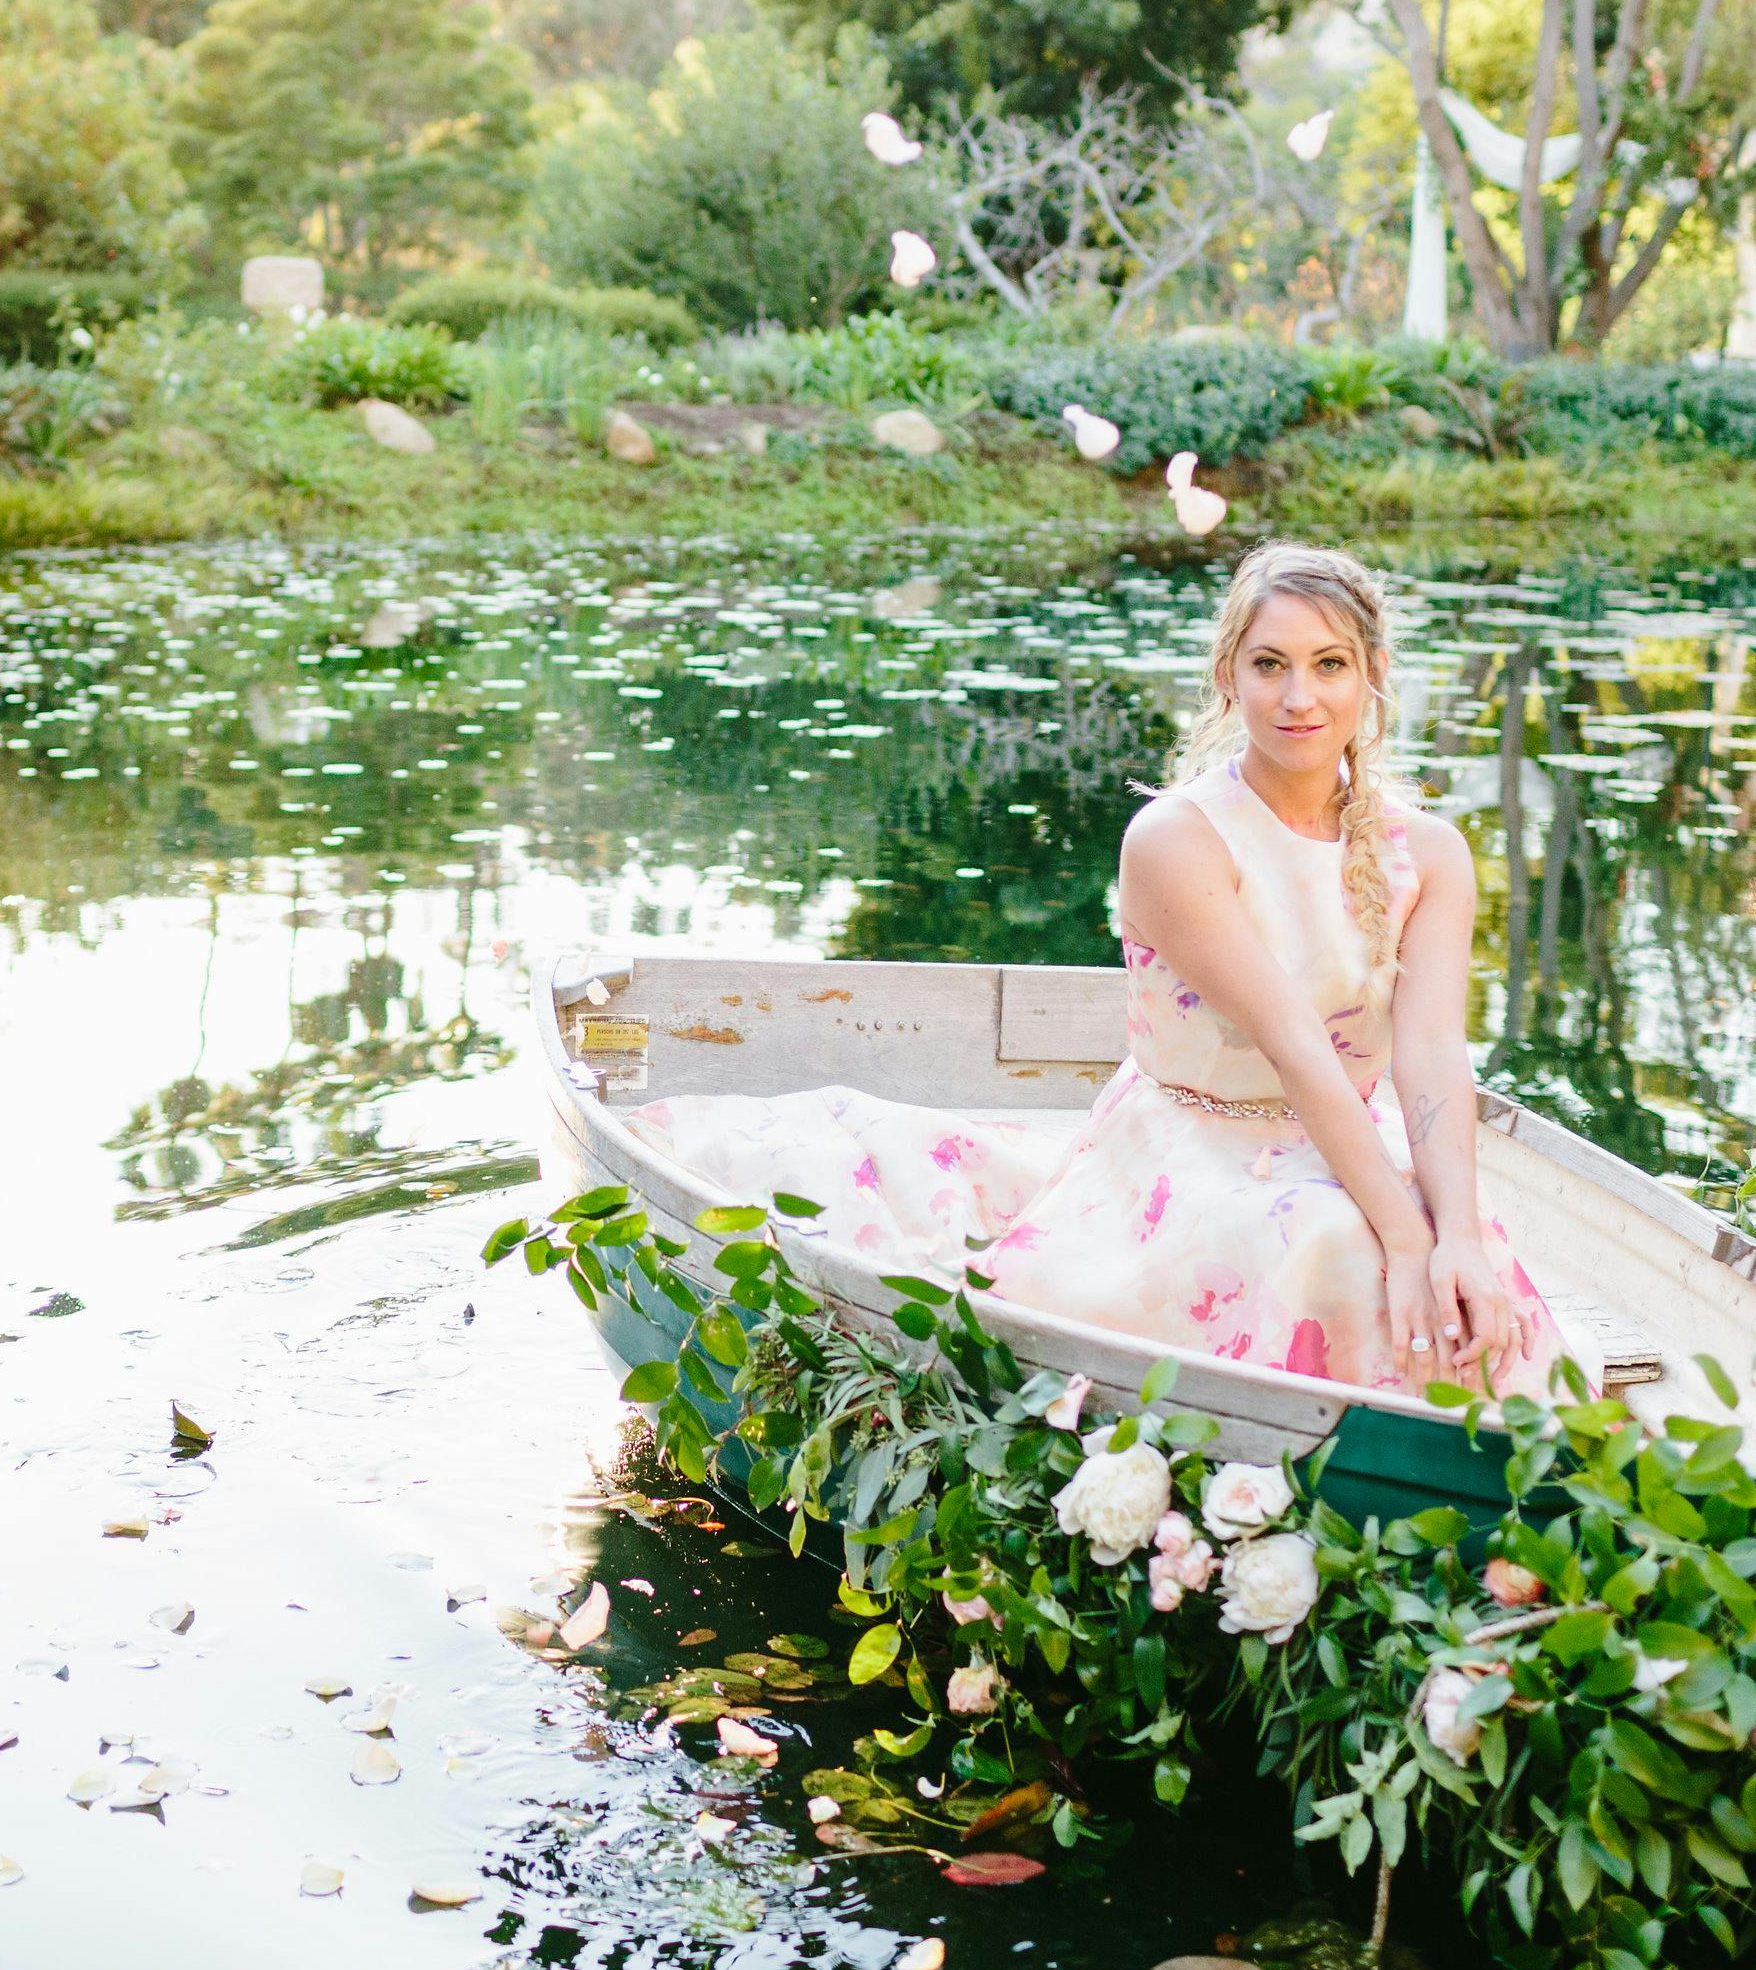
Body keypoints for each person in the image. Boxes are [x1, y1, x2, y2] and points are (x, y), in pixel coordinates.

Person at [627, 542, 1560, 1395]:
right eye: (1269, 664)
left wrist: (1454, 1238)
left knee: (1470, 1274)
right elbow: (1294, 1046)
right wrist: (1401, 1235)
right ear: (1229, 675)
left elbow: (1431, 1053)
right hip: (1196, 1139)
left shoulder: (1429, 853)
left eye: (1329, 665)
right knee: (1337, 1245)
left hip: (1347, 1133)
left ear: (1373, 677)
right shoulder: (1179, 840)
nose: (1298, 698)